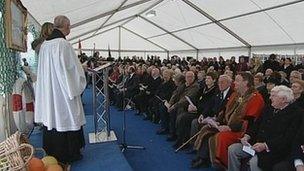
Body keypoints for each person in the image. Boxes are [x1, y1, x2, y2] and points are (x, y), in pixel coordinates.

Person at [35, 15, 86, 164]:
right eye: (69, 26)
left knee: (53, 117)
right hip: (63, 92)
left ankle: (53, 153)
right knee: (67, 117)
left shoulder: (45, 44)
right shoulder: (63, 44)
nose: (70, 29)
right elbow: (70, 70)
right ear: (66, 26)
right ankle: (69, 154)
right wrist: (81, 70)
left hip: (50, 90)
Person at [191, 72, 264, 169]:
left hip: (241, 131)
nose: (234, 83)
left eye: (237, 80)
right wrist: (217, 121)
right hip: (228, 125)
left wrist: (229, 128)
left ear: (245, 83)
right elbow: (224, 110)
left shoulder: (255, 98)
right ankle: (202, 158)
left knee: (220, 137)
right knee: (206, 129)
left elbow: (249, 122)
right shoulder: (236, 94)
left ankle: (222, 165)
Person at [228, 85, 302, 171]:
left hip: (274, 149)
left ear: (284, 99)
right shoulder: (269, 108)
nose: (270, 98)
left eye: (273, 96)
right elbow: (257, 124)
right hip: (255, 144)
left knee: (254, 162)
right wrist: (247, 136)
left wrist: (265, 145)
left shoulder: (296, 113)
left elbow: (288, 138)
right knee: (233, 149)